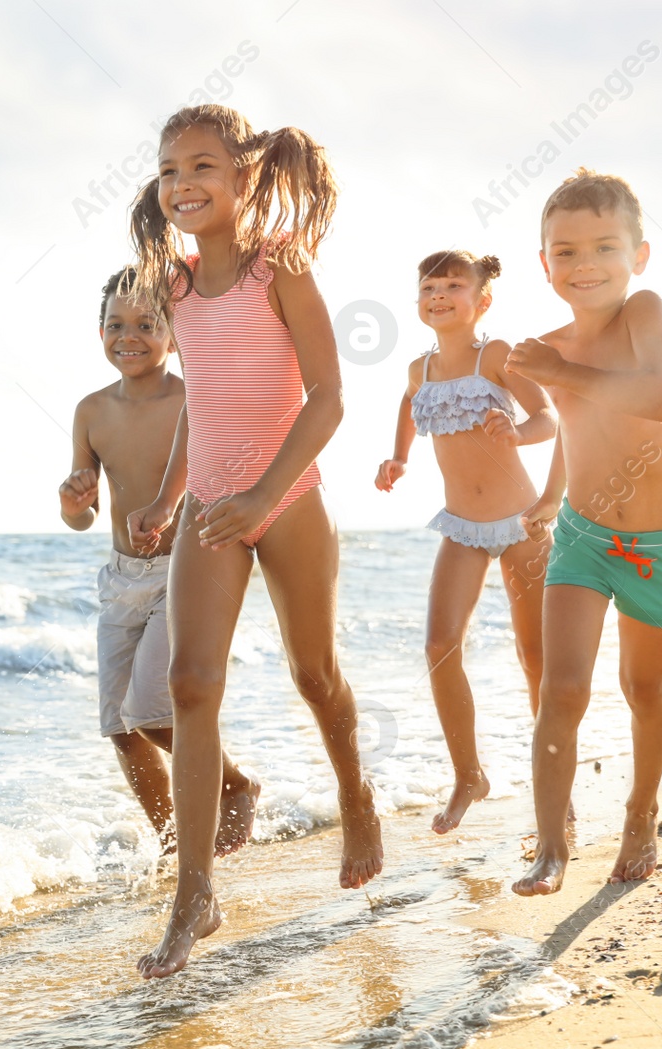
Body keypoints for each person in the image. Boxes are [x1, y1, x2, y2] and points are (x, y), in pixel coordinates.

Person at [125, 105, 384, 979]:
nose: (181, 184)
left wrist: (266, 492)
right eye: (167, 170)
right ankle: (194, 891)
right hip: (208, 505)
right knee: (190, 683)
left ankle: (355, 792)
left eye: (200, 165)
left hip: (289, 497)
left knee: (315, 673)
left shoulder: (284, 271)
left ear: (242, 176)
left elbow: (328, 398)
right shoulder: (177, 287)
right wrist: (169, 497)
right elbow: (201, 397)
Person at [505, 167, 662, 896]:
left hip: (652, 546)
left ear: (638, 254)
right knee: (562, 687)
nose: (586, 266)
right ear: (544, 263)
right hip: (581, 536)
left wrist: (560, 372)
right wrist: (551, 497)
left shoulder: (643, 311)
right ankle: (552, 845)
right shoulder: (549, 347)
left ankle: (641, 810)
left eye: (605, 247)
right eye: (567, 251)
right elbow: (574, 429)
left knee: (645, 686)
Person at [58, 267, 259, 859]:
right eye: (116, 324)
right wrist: (72, 501)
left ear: (173, 333)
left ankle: (235, 784)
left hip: (186, 571)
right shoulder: (91, 411)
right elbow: (82, 515)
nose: (130, 336)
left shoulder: (191, 399)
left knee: (149, 710)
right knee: (119, 728)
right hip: (120, 576)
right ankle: (174, 844)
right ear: (99, 333)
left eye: (147, 324)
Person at [374, 250, 557, 834]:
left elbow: (549, 415)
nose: (439, 295)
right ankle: (468, 775)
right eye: (429, 285)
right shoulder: (418, 370)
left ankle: (555, 785)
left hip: (522, 525)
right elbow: (408, 405)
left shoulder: (495, 354)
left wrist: (519, 431)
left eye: (454, 284)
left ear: (482, 299)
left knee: (536, 658)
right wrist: (399, 456)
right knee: (439, 646)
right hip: (461, 527)